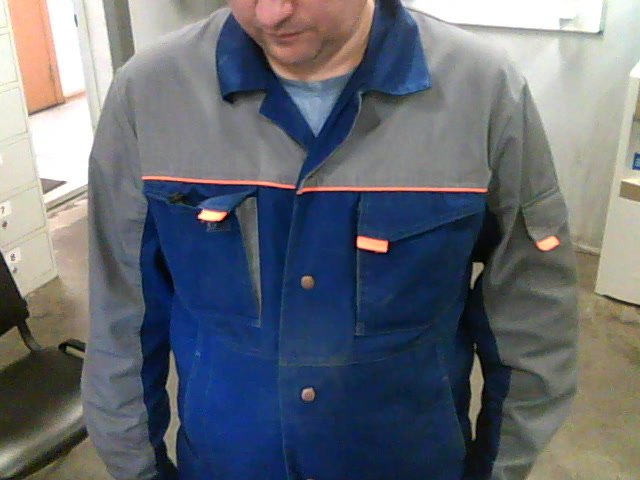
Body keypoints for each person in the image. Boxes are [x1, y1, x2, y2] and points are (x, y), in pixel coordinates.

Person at [82, 0, 579, 479]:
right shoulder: (149, 92)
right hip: (225, 464)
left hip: (410, 462)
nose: (271, 13)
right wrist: (137, 469)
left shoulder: (484, 90)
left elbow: (531, 316)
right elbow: (121, 313)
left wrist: (498, 468)